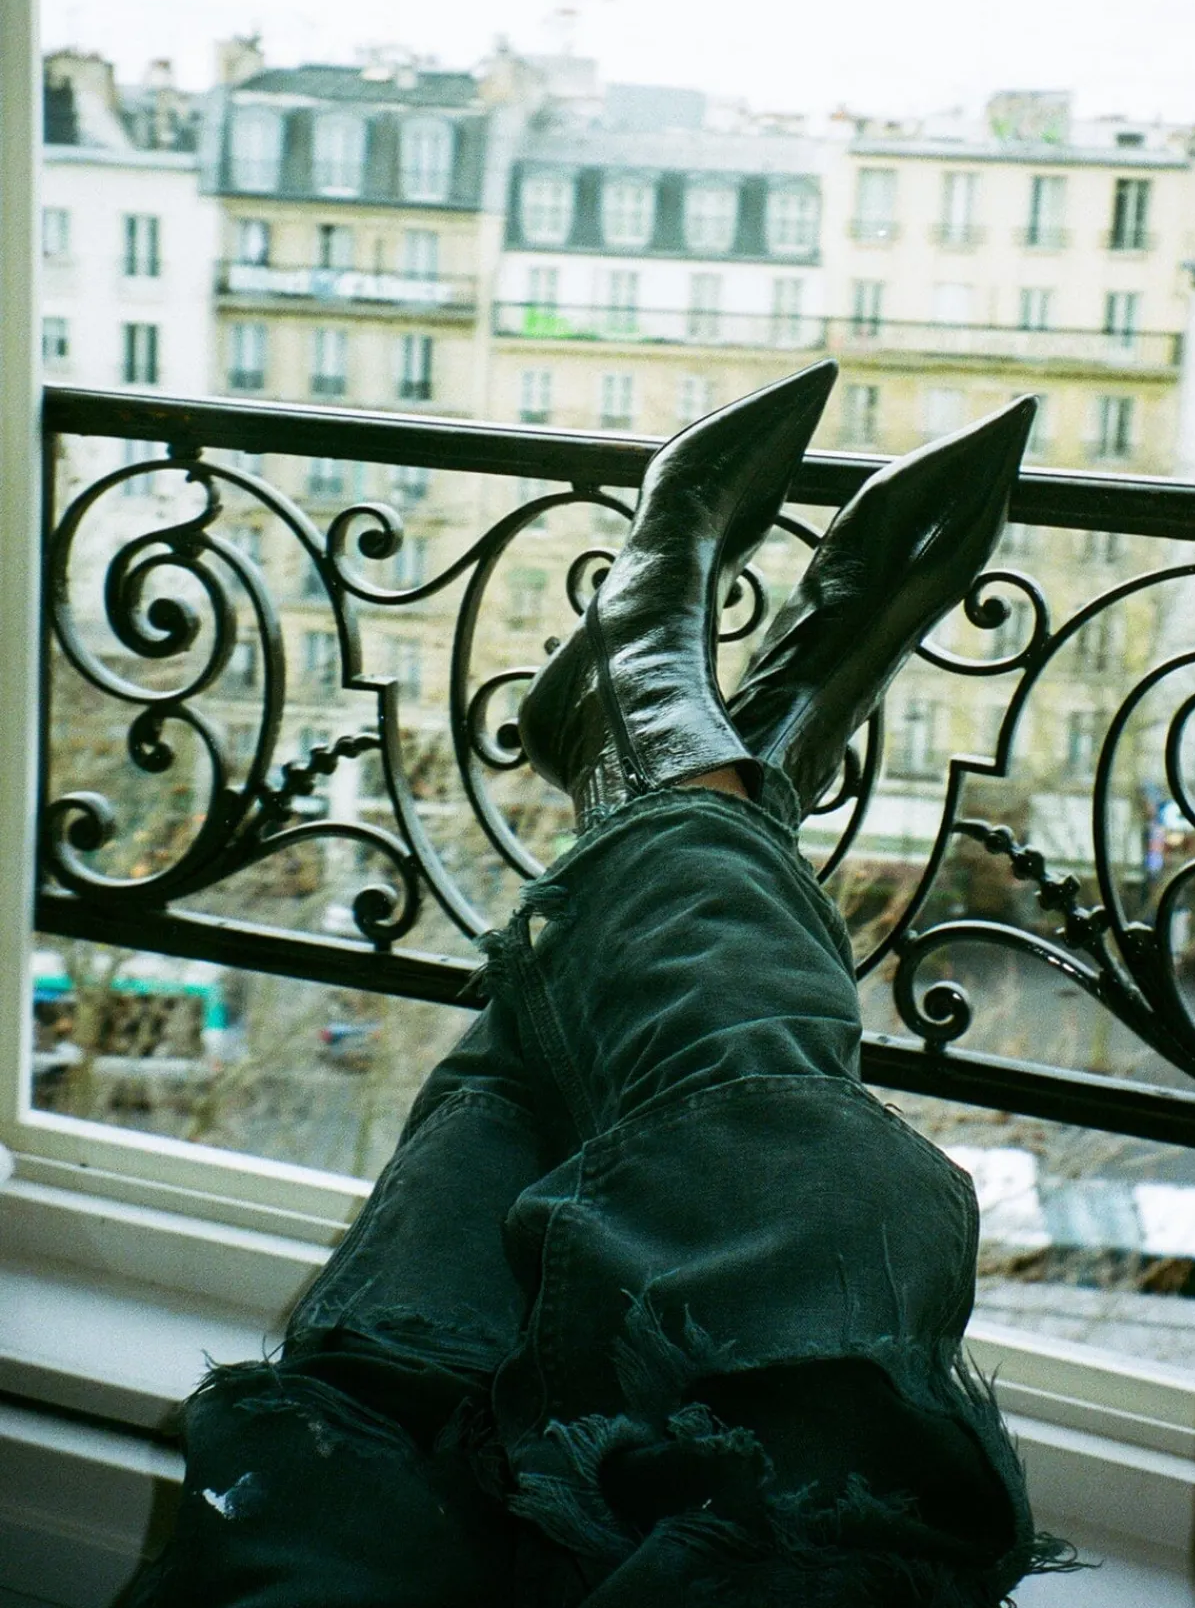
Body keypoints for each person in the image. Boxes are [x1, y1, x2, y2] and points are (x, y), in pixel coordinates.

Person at [129, 362, 1077, 1606]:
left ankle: (659, 697)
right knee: (793, 1209)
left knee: (472, 1246)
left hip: (356, 1513)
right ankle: (718, 745)